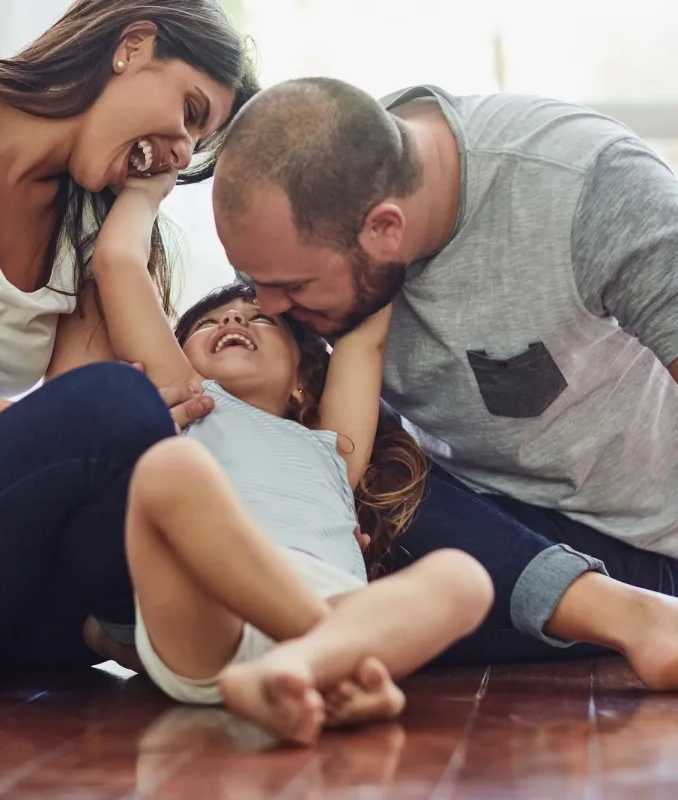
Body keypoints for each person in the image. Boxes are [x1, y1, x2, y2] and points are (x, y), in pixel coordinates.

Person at [208, 77, 678, 677]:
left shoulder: (590, 186)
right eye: (253, 279)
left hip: (633, 548)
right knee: (331, 545)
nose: (267, 307)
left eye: (292, 287)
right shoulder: (327, 201)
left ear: (385, 228)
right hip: (462, 528)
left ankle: (638, 618)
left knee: (382, 530)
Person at [0, 0, 258, 685]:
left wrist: (124, 240)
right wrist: (23, 432)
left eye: (196, 148)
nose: (180, 152)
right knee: (115, 405)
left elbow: (167, 413)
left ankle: (183, 633)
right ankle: (217, 641)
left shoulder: (85, 223)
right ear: (133, 46)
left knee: (154, 468)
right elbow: (85, 420)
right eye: (191, 112)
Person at [101, 262, 495, 744]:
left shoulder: (334, 447)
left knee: (464, 577)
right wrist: (145, 194)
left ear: (300, 379)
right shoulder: (198, 404)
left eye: (260, 318)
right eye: (207, 323)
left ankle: (299, 666)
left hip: (328, 598)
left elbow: (365, 333)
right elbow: (118, 267)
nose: (231, 323)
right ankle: (338, 668)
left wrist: (373, 230)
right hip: (212, 609)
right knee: (170, 468)